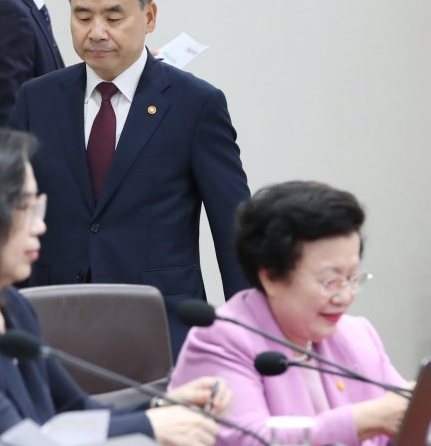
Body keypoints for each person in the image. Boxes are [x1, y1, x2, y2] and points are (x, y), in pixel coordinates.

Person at [0, 125, 228, 446]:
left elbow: (72, 413)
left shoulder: (10, 305)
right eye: (24, 208)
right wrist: (152, 426)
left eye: (37, 206)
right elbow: (22, 441)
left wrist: (163, 404)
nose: (39, 226)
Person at [7, 0, 250, 356]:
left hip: (159, 325)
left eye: (113, 16)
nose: (96, 31)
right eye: (82, 16)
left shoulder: (195, 105)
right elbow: (5, 213)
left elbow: (234, 227)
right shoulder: (37, 100)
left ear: (149, 17)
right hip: (50, 324)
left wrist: (247, 331)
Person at [169, 181, 411, 445]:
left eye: (352, 278)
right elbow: (248, 439)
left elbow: (406, 419)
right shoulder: (221, 340)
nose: (345, 296)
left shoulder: (356, 334)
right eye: (330, 281)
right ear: (271, 276)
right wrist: (362, 420)